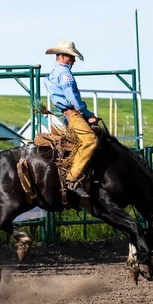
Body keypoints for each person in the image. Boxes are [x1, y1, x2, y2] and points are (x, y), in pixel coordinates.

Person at [43, 41, 98, 198]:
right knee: (91, 140)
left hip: (65, 115)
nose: (73, 61)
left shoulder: (50, 75)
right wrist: (87, 114)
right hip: (73, 114)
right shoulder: (65, 74)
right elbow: (71, 96)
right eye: (72, 57)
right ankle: (72, 179)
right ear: (63, 56)